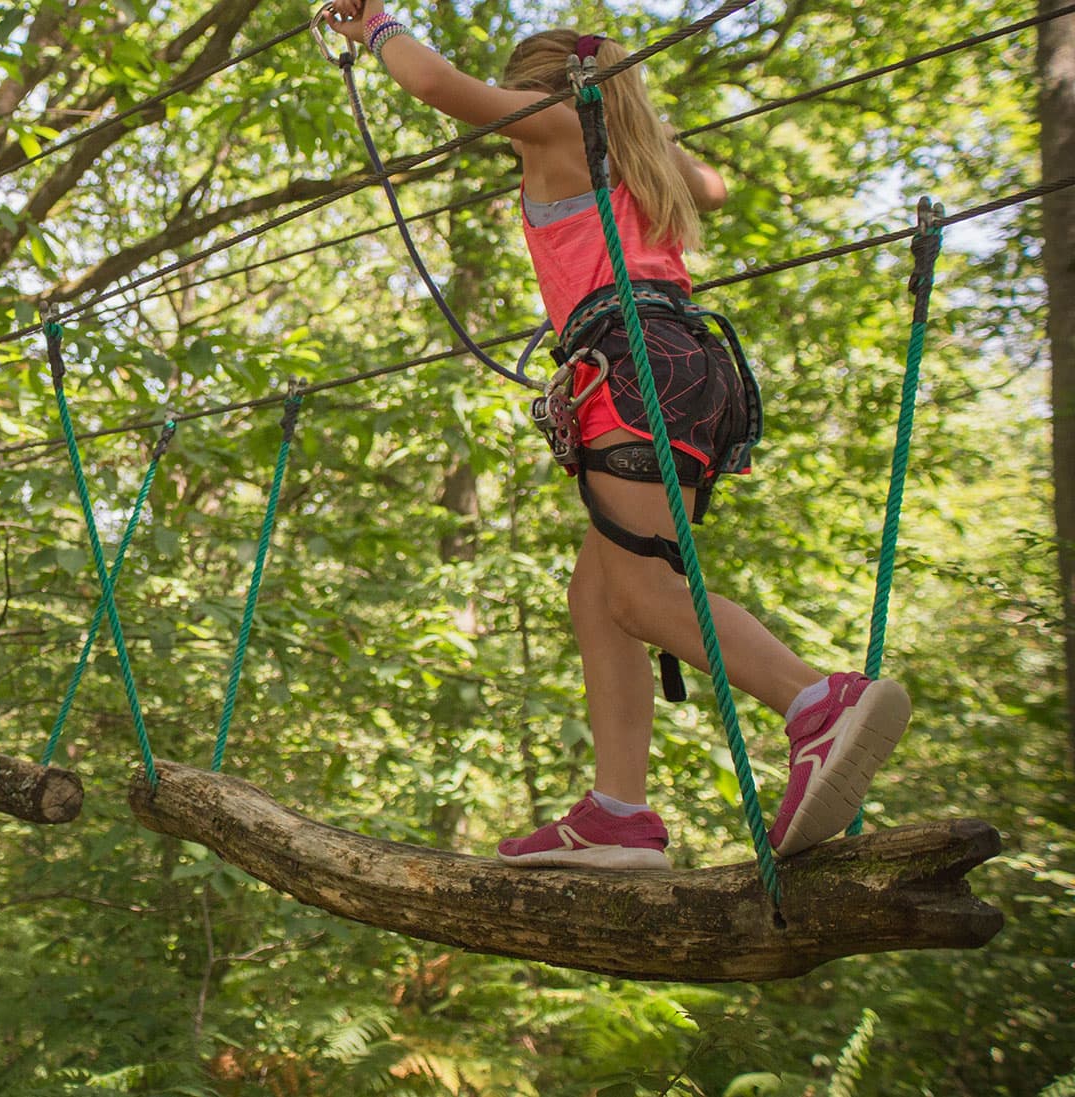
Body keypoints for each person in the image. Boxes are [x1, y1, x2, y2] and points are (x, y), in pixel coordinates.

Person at [326, 6, 911, 866]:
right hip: (686, 370)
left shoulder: (555, 130)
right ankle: (619, 810)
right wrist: (628, 107)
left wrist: (374, 24)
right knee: (596, 595)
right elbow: (710, 186)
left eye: (516, 104)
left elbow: (434, 84)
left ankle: (816, 701)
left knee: (639, 596)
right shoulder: (638, 157)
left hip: (630, 369)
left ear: (539, 94)